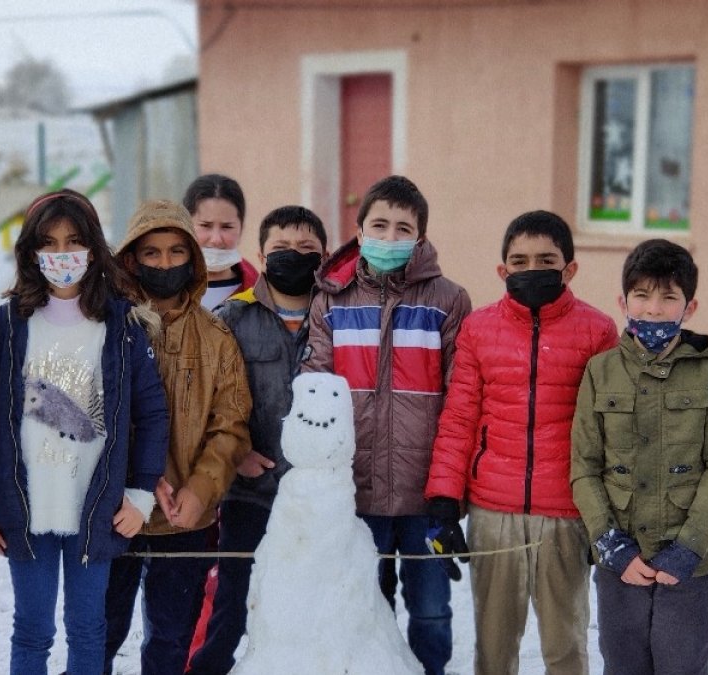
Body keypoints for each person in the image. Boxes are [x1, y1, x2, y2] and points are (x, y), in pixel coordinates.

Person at [0, 189, 169, 675]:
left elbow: (152, 414)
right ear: (32, 252)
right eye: (50, 243)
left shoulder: (121, 325)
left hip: (95, 509)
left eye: (75, 241)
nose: (63, 255)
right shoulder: (11, 323)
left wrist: (140, 495)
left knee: (88, 629)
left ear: (94, 249)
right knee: (32, 630)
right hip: (27, 508)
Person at [425, 211, 617, 675]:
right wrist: (444, 501)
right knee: (493, 648)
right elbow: (459, 417)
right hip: (494, 513)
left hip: (566, 514)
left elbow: (611, 430)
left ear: (570, 268)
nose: (531, 269)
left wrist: (606, 514)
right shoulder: (479, 329)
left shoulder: (598, 331)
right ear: (502, 270)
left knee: (565, 644)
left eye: (546, 259)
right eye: (519, 260)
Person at [303, 174, 471, 675]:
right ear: (359, 229)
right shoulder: (331, 299)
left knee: (432, 613)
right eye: (380, 224)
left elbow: (463, 402)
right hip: (356, 494)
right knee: (363, 610)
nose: (391, 237)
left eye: (404, 228)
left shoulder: (448, 300)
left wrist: (448, 491)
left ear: (420, 237)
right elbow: (315, 394)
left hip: (425, 496)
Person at [569, 238, 708, 675]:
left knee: (682, 663)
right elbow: (584, 467)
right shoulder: (600, 370)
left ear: (690, 306)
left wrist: (689, 548)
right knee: (623, 663)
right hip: (621, 560)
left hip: (688, 564)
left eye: (669, 297)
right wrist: (612, 547)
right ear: (622, 301)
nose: (653, 308)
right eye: (642, 295)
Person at [103, 200, 252, 675]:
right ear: (131, 259)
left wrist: (201, 490)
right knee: (99, 631)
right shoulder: (105, 327)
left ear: (191, 257)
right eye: (152, 253)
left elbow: (230, 425)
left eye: (175, 252)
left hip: (183, 518)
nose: (165, 264)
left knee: (170, 640)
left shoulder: (216, 336)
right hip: (112, 511)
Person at [187, 205, 329, 675]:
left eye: (307, 250)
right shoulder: (232, 317)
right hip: (249, 492)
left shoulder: (336, 318)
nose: (294, 257)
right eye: (282, 249)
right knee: (232, 600)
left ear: (324, 258)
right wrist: (237, 454)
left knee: (305, 605)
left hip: (314, 496)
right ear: (262, 255)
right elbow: (208, 400)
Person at [182, 174, 259, 310]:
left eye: (227, 227)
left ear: (241, 229)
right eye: (205, 226)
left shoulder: (261, 298)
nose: (216, 239)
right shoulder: (162, 293)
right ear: (185, 226)